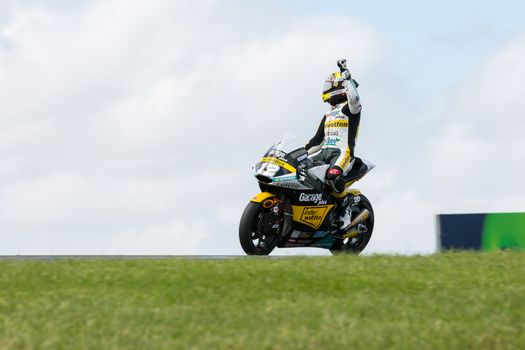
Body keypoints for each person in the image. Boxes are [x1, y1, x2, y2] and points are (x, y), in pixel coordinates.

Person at [305, 59, 367, 230]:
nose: (327, 89)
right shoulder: (328, 114)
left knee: (333, 177)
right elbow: (316, 141)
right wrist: (299, 154)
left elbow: (354, 98)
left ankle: (343, 213)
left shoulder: (350, 109)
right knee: (302, 169)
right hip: (324, 153)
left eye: (331, 85)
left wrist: (347, 76)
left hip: (342, 153)